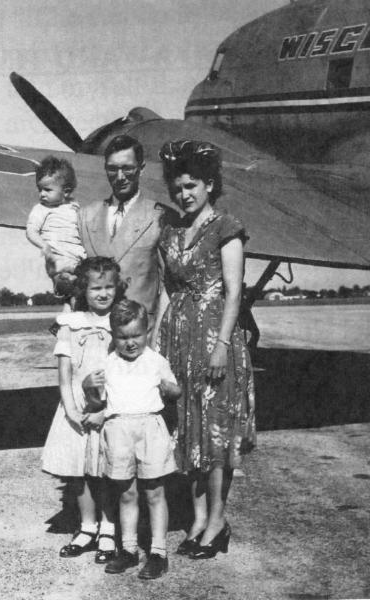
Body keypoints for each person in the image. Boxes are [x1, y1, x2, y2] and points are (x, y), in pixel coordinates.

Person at [156, 140, 256, 560]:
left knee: (215, 436)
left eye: (192, 185)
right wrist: (156, 348)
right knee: (187, 432)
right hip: (179, 340)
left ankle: (217, 522)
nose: (184, 194)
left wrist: (220, 346)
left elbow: (234, 294)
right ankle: (198, 518)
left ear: (210, 184)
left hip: (216, 341)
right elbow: (167, 290)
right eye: (178, 187)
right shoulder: (173, 232)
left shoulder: (226, 228)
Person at [41, 256, 127, 564]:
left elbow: (126, 373)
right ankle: (87, 527)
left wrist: (106, 410)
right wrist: (71, 409)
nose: (102, 294)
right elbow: (64, 376)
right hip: (75, 408)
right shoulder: (70, 324)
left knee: (104, 472)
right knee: (77, 473)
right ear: (83, 290)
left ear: (118, 288)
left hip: (109, 411)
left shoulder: (121, 323)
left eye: (108, 287)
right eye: (95, 288)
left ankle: (108, 527)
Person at [100, 300, 181, 580]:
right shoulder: (108, 363)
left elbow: (174, 391)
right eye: (123, 337)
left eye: (136, 335)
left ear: (147, 332)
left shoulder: (156, 361)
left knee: (155, 492)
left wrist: (170, 388)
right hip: (119, 428)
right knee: (127, 493)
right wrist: (88, 388)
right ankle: (129, 549)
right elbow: (97, 400)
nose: (130, 342)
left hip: (150, 427)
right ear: (114, 336)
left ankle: (158, 553)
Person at [78, 134, 170, 332]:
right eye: (113, 169)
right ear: (105, 169)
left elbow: (169, 286)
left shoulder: (160, 217)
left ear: (141, 168)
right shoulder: (85, 215)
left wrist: (158, 334)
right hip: (95, 332)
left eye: (127, 168)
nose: (120, 177)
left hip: (140, 333)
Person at [26, 155, 86, 307]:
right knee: (70, 288)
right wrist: (44, 245)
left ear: (66, 192)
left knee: (81, 298)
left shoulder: (74, 206)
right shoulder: (40, 209)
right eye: (40, 189)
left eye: (47, 190)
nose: (42, 194)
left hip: (78, 259)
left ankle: (64, 324)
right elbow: (31, 231)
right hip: (58, 261)